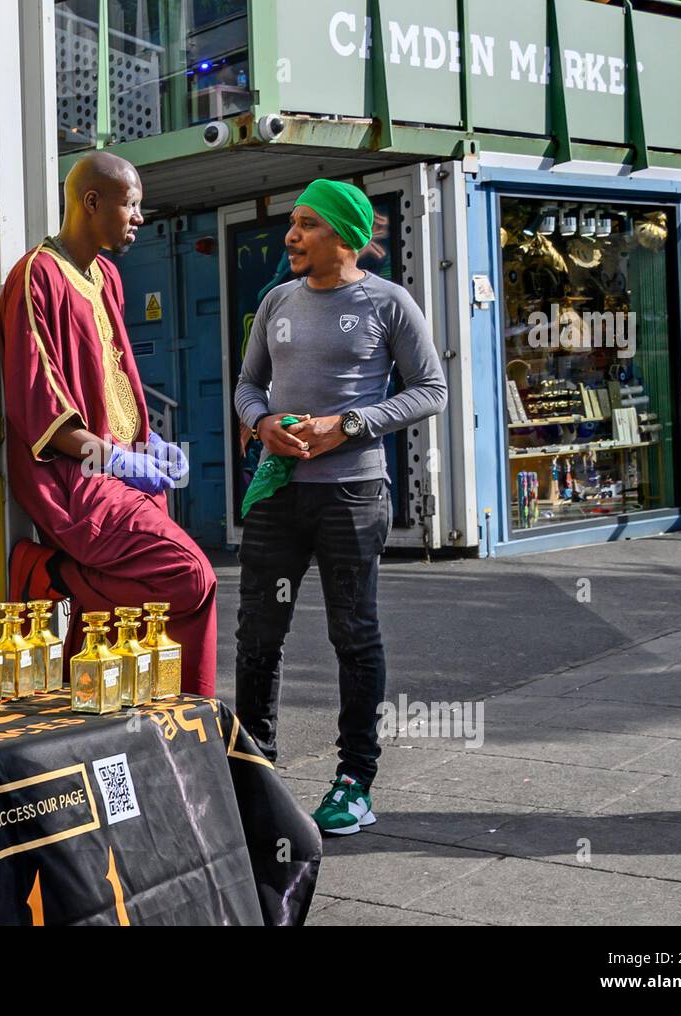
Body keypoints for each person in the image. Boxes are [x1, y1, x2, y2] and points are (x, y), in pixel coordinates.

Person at [233, 178, 447, 834]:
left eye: (308, 224)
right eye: (292, 223)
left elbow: (430, 389)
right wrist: (262, 422)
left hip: (353, 495)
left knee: (353, 635)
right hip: (277, 494)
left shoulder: (388, 302)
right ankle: (255, 773)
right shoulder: (277, 302)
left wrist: (347, 426)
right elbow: (247, 384)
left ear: (347, 237)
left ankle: (355, 781)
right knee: (258, 636)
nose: (292, 236)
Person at [0, 151, 218, 694]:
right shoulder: (36, 274)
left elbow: (116, 378)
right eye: (132, 204)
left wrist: (150, 443)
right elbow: (37, 402)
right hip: (79, 479)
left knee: (161, 611)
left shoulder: (109, 277)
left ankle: (159, 714)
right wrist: (115, 458)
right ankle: (50, 575)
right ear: (91, 202)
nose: (140, 217)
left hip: (121, 472)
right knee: (191, 576)